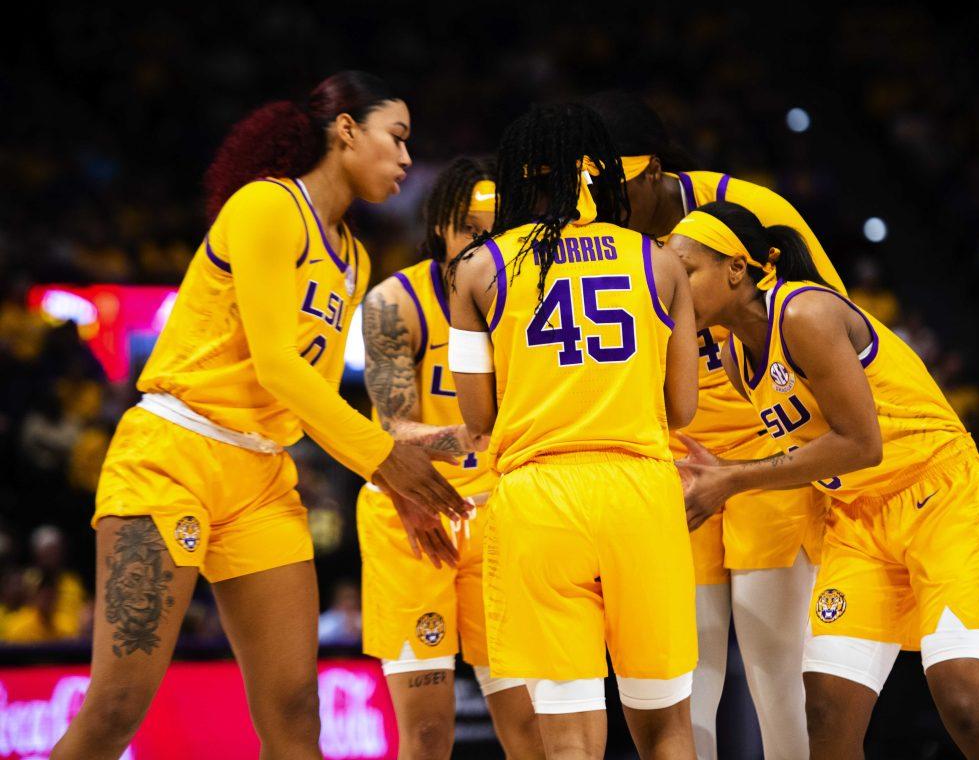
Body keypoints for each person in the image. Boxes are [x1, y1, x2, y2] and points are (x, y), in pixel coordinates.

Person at [51, 71, 469, 760]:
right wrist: (385, 461)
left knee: (297, 715)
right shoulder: (268, 206)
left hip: (262, 478)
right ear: (345, 131)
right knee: (116, 709)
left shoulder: (354, 259)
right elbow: (280, 367)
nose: (404, 160)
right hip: (173, 453)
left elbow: (308, 403)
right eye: (395, 138)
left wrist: (421, 459)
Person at [670, 201, 979, 760]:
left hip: (939, 497)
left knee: (962, 701)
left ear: (736, 269)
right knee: (827, 712)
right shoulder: (737, 355)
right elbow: (812, 454)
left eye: (686, 273)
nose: (674, 290)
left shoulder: (805, 313)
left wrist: (734, 480)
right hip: (858, 520)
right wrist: (721, 477)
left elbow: (861, 444)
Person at [586, 90, 838, 758]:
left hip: (770, 458)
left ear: (653, 170)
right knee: (683, 676)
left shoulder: (754, 210)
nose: (605, 206)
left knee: (777, 673)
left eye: (617, 188)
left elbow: (830, 326)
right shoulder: (598, 237)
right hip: (673, 465)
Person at [448, 103, 699, 759]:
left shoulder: (478, 269)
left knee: (566, 737)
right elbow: (683, 408)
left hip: (539, 498)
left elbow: (477, 419)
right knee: (668, 728)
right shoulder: (660, 262)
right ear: (599, 171)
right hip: (640, 494)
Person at [358, 157, 543, 758]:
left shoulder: (527, 304)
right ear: (440, 226)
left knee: (532, 729)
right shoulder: (395, 301)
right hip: (412, 515)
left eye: (496, 229)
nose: (483, 242)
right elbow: (390, 429)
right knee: (429, 733)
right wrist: (478, 435)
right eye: (469, 227)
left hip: (500, 517)